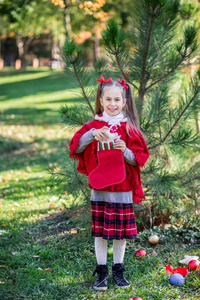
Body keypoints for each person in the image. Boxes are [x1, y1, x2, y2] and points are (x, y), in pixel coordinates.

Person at [69, 75, 149, 291]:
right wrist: (92, 135)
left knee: (120, 233)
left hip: (122, 189)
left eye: (117, 100)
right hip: (100, 188)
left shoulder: (129, 128)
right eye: (108, 100)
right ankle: (101, 270)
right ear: (101, 101)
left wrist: (125, 151)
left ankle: (119, 269)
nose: (112, 104)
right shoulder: (94, 126)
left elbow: (140, 158)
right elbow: (75, 147)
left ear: (124, 102)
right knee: (101, 232)